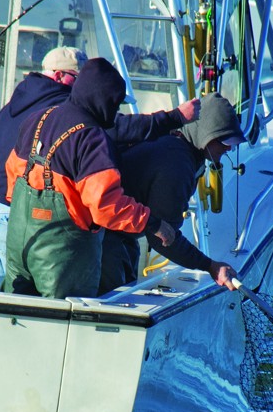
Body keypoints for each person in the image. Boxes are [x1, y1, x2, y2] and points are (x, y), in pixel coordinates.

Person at [0, 46, 200, 291]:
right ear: (102, 99)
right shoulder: (90, 136)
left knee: (9, 310)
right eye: (115, 104)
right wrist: (153, 223)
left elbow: (13, 175)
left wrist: (32, 211)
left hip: (10, 228)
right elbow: (106, 206)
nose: (116, 111)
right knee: (61, 321)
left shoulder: (35, 115)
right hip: (60, 253)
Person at [99, 92, 244, 295]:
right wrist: (211, 266)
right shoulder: (177, 165)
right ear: (204, 134)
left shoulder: (174, 142)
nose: (229, 148)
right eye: (223, 140)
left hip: (119, 235)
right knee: (110, 301)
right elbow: (163, 240)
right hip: (101, 237)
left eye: (233, 143)